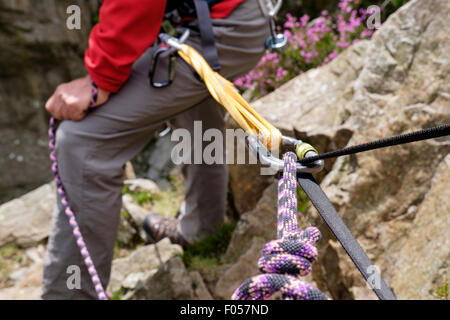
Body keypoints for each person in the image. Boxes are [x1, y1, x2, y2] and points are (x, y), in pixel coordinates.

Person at [42, 0, 270, 299]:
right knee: (194, 97)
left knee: (82, 140)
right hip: (230, 17)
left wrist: (101, 77)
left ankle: (68, 295)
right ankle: (202, 230)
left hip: (219, 27)